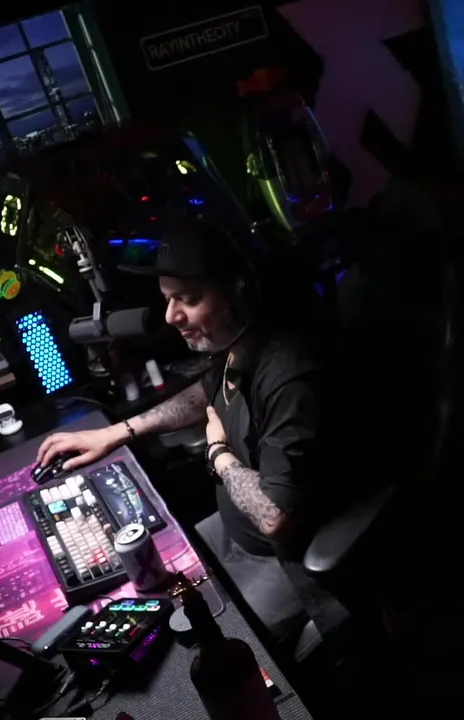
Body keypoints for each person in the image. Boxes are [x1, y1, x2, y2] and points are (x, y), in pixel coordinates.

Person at [35, 217, 327, 643]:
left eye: (188, 299)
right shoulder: (235, 341)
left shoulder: (289, 378)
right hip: (233, 532)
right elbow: (205, 394)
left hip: (289, 559)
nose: (172, 316)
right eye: (168, 299)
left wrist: (218, 454)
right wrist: (121, 431)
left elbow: (275, 517)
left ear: (239, 293)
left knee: (200, 645)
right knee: (145, 591)